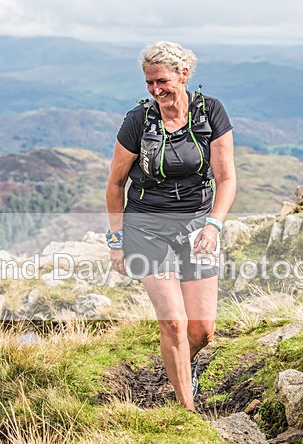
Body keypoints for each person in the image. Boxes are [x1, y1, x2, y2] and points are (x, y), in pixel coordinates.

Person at [105, 41, 237, 412]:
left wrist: (214, 226)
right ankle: (186, 411)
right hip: (146, 226)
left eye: (162, 81)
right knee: (175, 323)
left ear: (184, 75)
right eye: (149, 83)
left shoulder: (211, 112)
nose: (156, 90)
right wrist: (117, 241)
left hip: (198, 225)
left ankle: (180, 363)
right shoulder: (138, 121)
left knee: (201, 330)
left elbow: (226, 178)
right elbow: (115, 184)